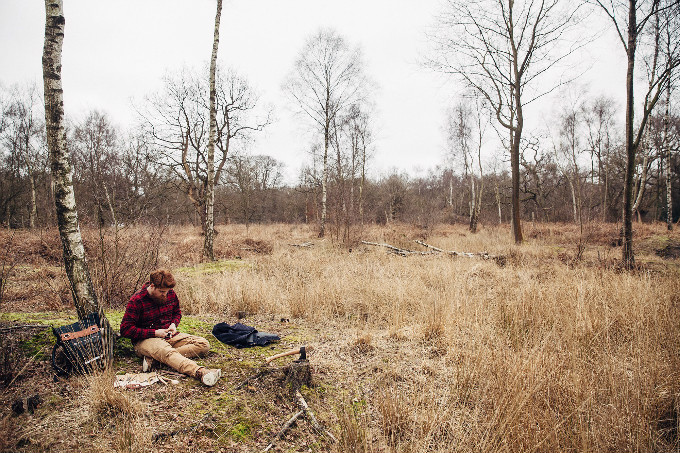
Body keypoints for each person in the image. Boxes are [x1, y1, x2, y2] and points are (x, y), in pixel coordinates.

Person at [120, 269, 222, 386]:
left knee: (203, 345)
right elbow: (125, 329)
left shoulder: (170, 293)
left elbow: (177, 312)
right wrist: (155, 333)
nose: (165, 294)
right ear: (152, 286)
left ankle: (154, 361)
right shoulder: (137, 300)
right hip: (144, 341)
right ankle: (200, 372)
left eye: (167, 291)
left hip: (168, 336)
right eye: (162, 291)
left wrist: (173, 324)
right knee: (166, 351)